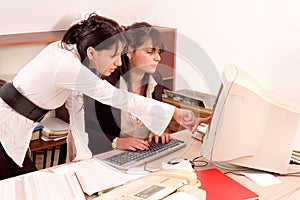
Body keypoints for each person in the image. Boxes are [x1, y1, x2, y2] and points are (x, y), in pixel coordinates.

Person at [0, 14, 199, 180]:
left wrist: (81, 162)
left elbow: (77, 114)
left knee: (28, 184)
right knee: (22, 187)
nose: (118, 63)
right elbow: (117, 97)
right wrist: (175, 112)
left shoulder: (74, 57)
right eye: (114, 55)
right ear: (92, 52)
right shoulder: (69, 67)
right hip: (4, 129)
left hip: (15, 131)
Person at [85, 22, 211, 154]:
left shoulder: (155, 82)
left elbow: (153, 115)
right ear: (129, 52)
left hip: (141, 152)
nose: (158, 58)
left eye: (159, 52)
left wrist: (157, 132)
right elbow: (88, 128)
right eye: (150, 51)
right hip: (109, 153)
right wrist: (116, 141)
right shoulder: (107, 82)